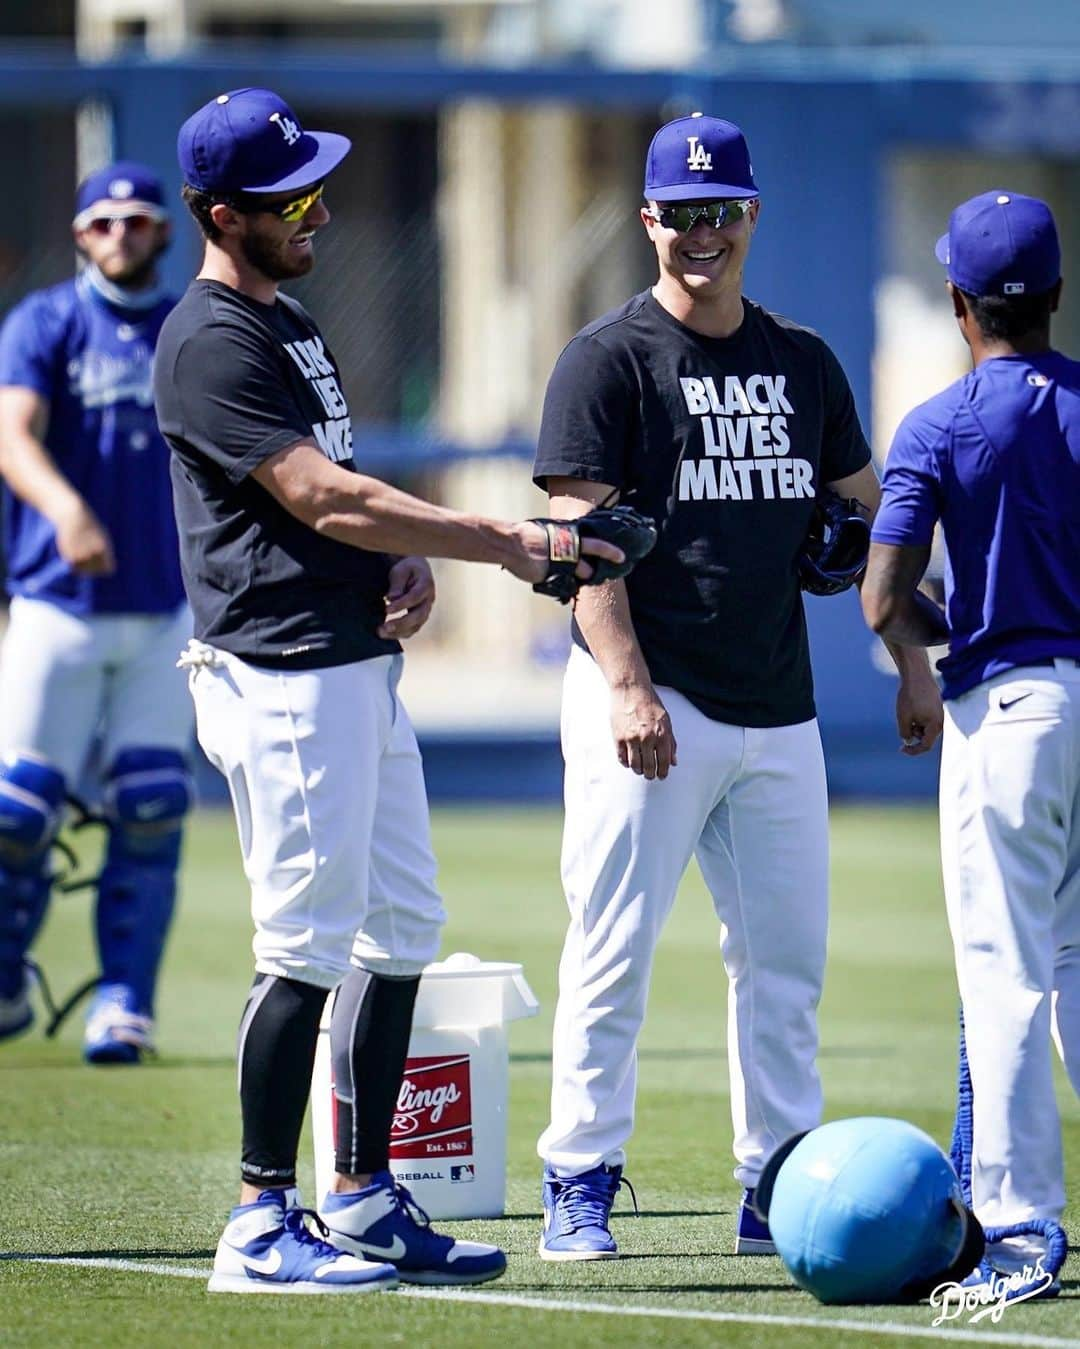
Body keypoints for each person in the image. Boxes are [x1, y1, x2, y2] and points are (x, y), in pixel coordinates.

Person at [153, 87, 632, 1296]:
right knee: (302, 946)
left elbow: (344, 500)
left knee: (403, 928)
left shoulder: (284, 318)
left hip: (353, 661)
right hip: (282, 671)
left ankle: (359, 1194)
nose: (317, 207)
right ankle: (261, 1219)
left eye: (317, 185)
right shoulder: (209, 337)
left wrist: (403, 555)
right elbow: (318, 495)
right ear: (221, 215)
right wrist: (500, 540)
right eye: (289, 196)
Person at [530, 112, 943, 1261]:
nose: (703, 232)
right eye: (684, 213)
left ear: (749, 216)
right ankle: (580, 1175)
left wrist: (909, 655)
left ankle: (779, 1184)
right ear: (649, 218)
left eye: (724, 211)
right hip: (650, 695)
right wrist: (626, 686)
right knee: (613, 948)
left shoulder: (802, 360)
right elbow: (579, 540)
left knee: (786, 965)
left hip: (777, 701)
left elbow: (876, 512)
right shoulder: (607, 358)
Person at [862, 189, 1079, 1285]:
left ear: (959, 301)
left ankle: (1024, 1224)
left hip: (1012, 712)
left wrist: (949, 621)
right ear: (1053, 293)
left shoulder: (939, 423)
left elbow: (881, 597)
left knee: (1004, 976)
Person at [0, 161, 192, 1064]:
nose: (122, 235)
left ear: (163, 233)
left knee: (151, 804)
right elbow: (11, 434)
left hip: (164, 605)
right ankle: (4, 979)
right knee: (17, 811)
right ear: (83, 234)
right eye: (106, 222)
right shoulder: (45, 321)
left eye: (140, 221)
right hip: (56, 599)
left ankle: (124, 1002)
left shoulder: (190, 328)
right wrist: (66, 508)